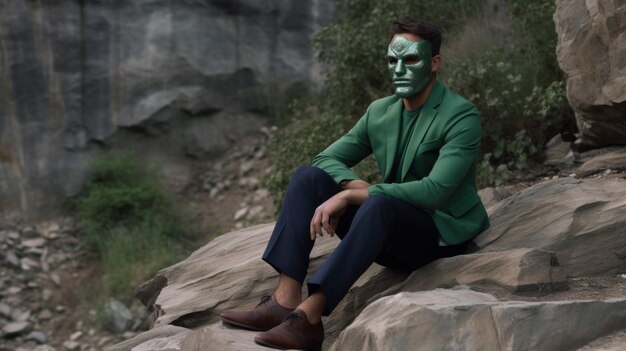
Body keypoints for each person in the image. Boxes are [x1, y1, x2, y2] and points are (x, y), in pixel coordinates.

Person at [220, 18, 490, 351]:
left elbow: (435, 191)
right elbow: (324, 159)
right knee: (308, 178)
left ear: (435, 62)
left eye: (412, 60)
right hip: (386, 228)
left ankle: (310, 318)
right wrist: (351, 183)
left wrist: (354, 195)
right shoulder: (380, 112)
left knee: (376, 202)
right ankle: (284, 300)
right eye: (393, 60)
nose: (400, 69)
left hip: (437, 235)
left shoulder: (460, 115)